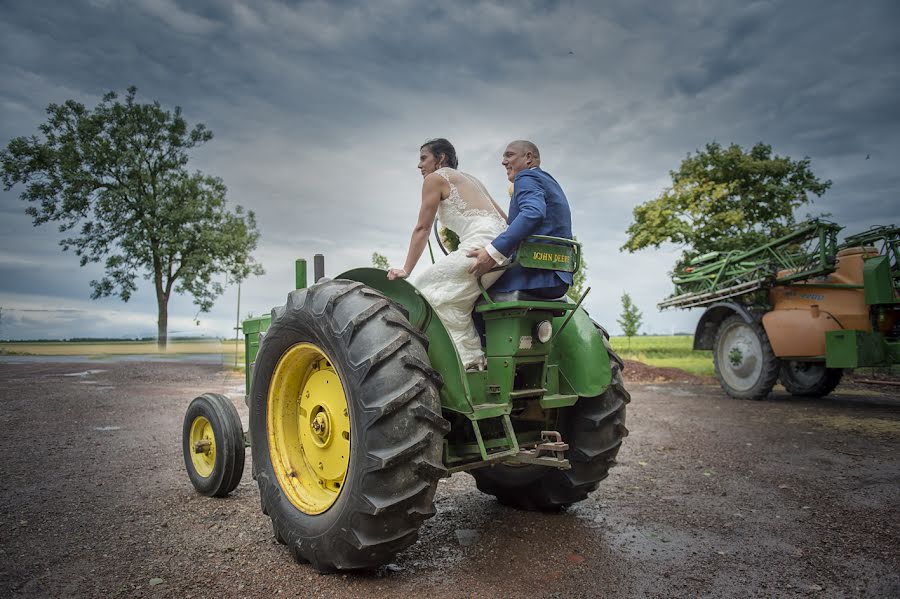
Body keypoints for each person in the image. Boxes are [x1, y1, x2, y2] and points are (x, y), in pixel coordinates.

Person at [387, 138, 508, 369]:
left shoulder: (435, 179)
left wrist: (406, 269)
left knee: (423, 290)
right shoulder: (473, 180)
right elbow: (505, 220)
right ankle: (472, 360)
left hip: (480, 246)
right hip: (501, 249)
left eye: (424, 158)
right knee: (456, 300)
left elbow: (422, 228)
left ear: (440, 159)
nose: (419, 166)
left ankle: (464, 364)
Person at [467, 140, 573, 299]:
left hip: (532, 275)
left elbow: (533, 213)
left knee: (467, 292)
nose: (503, 162)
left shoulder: (526, 176)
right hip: (559, 275)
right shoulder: (548, 180)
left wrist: (492, 252)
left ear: (528, 158)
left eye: (509, 155)